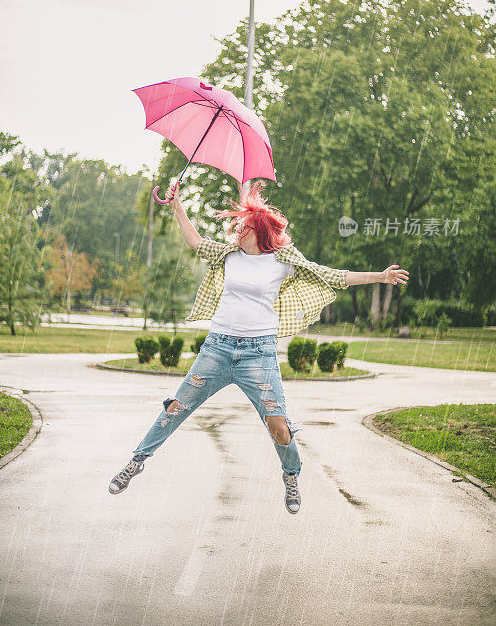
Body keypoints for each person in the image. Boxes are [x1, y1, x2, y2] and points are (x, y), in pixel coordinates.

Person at [108, 180, 409, 513]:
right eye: (238, 226)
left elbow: (332, 275)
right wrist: (177, 204)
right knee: (176, 407)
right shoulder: (228, 254)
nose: (239, 232)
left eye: (245, 227)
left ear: (261, 231)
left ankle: (291, 474)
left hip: (259, 354)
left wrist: (379, 277)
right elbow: (194, 241)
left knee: (279, 425)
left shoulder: (282, 261)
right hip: (217, 349)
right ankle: (137, 460)